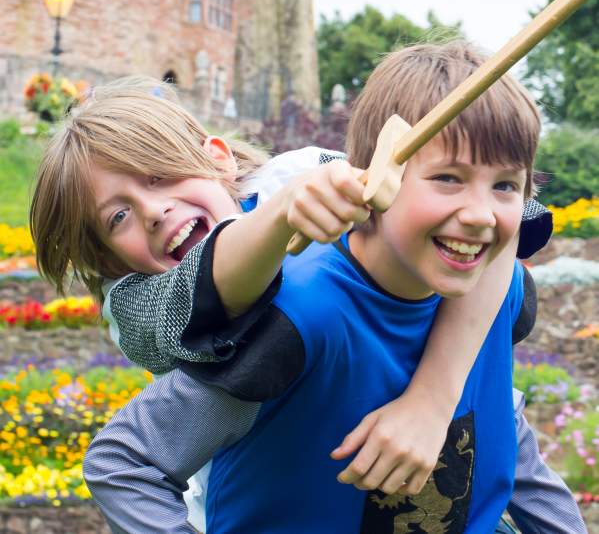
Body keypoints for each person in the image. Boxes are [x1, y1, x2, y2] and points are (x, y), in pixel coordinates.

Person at [77, 42, 584, 532]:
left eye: (503, 186)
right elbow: (127, 461)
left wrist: (435, 400)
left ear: (218, 159)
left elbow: (497, 423)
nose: (154, 210)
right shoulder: (280, 315)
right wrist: (281, 217)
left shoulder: (319, 174)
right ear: (107, 258)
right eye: (118, 215)